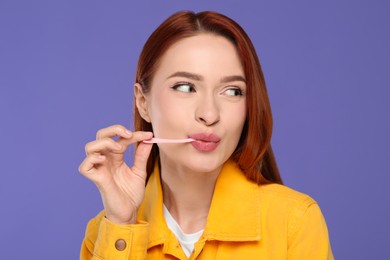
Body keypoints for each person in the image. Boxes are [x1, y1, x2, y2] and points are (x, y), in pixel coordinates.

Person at [79, 11, 334, 259]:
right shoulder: (106, 233)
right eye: (186, 87)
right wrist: (122, 225)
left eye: (233, 91)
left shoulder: (295, 222)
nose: (210, 114)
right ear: (142, 102)